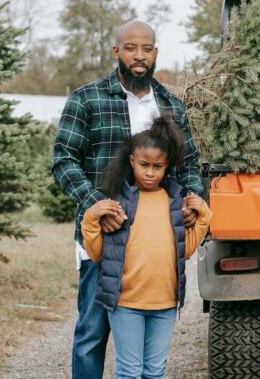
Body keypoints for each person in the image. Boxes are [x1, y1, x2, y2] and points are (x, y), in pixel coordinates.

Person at [51, 20, 204, 379]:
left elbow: (190, 163)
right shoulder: (87, 99)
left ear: (155, 53)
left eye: (147, 49)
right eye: (131, 48)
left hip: (154, 244)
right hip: (104, 240)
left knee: (147, 345)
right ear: (116, 51)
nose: (140, 56)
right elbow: (63, 160)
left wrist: (191, 198)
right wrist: (95, 205)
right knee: (92, 332)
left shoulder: (170, 105)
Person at [81, 116, 211, 379]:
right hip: (126, 303)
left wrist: (204, 216)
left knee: (155, 371)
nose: (150, 172)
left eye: (157, 166)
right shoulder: (119, 202)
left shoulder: (175, 200)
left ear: (166, 166)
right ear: (132, 161)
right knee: (129, 372)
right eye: (144, 165)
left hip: (165, 304)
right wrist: (91, 218)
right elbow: (97, 255)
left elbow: (183, 251)